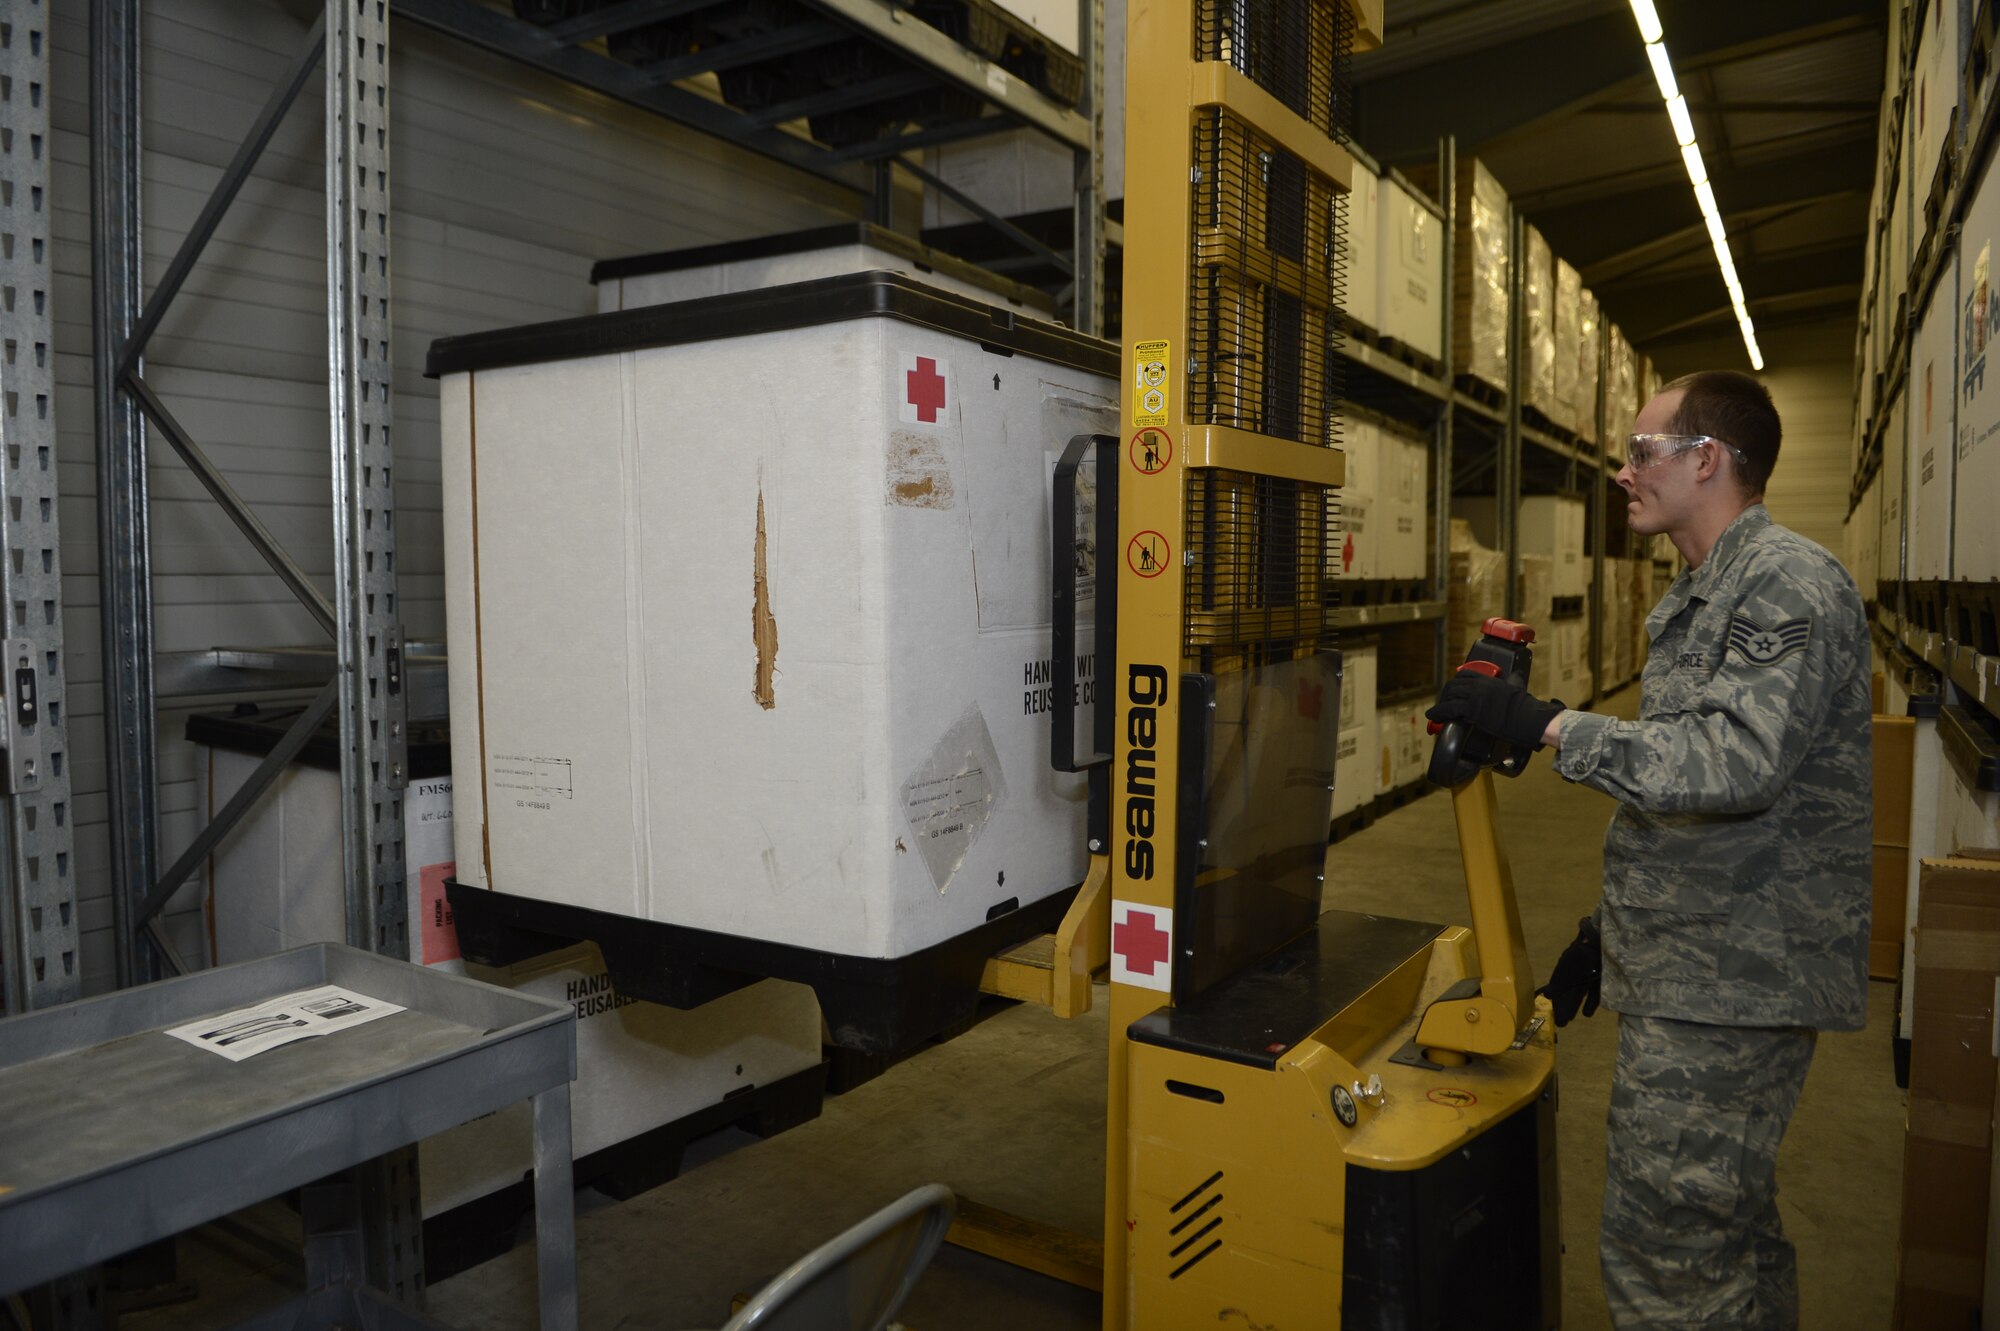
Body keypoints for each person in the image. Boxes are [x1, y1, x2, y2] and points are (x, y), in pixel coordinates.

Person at [1426, 370, 1871, 1330]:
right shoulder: (1707, 585)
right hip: (1702, 958)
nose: (1624, 473)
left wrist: (1548, 726)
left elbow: (1733, 761)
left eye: (1642, 452)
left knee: (1667, 1257)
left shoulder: (1784, 581)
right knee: (1730, 1237)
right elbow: (1697, 792)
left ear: (1707, 459)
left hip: (1733, 984)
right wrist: (1616, 929)